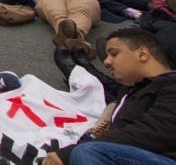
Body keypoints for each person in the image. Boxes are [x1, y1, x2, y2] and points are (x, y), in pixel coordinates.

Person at [44, 28, 176, 164]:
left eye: (114, 54)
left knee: (88, 152)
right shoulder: (130, 91)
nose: (107, 62)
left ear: (142, 54)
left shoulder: (172, 84)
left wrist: (69, 153)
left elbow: (153, 133)